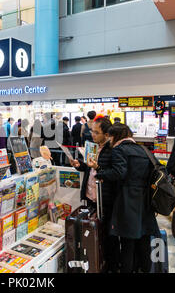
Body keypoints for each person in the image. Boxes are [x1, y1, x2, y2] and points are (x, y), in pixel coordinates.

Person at [93, 124, 159, 273]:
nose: (109, 140)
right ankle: (144, 269)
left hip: (127, 200)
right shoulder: (144, 150)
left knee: (127, 242)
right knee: (143, 241)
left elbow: (119, 173)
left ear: (115, 136)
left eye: (110, 136)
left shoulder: (119, 150)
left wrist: (100, 172)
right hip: (145, 200)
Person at [70, 117, 120, 273]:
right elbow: (88, 169)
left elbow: (113, 174)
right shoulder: (92, 146)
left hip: (105, 200)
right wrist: (80, 165)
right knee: (94, 233)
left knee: (109, 237)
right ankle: (95, 262)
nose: (92, 134)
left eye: (96, 132)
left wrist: (97, 167)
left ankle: (111, 266)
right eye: (92, 130)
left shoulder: (113, 150)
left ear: (106, 134)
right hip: (91, 198)